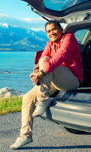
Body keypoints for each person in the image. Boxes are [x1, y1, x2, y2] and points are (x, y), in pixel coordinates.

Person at [10, 20, 83, 149]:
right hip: (57, 80)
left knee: (47, 61)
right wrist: (37, 73)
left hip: (72, 80)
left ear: (61, 29)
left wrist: (42, 72)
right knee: (27, 97)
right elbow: (41, 60)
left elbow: (60, 56)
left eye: (54, 29)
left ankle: (43, 100)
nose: (52, 33)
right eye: (48, 31)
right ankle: (25, 135)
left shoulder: (69, 38)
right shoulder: (50, 43)